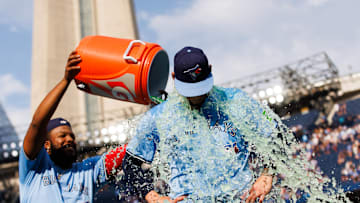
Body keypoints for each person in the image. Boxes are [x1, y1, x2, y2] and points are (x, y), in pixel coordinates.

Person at [122, 46, 277, 202]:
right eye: (190, 91)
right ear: (174, 77)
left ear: (210, 70)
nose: (196, 97)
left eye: (200, 89)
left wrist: (267, 174)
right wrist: (154, 197)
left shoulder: (237, 101)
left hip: (241, 197)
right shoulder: (158, 117)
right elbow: (130, 163)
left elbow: (276, 135)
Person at [19, 51, 126, 203]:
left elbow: (129, 151)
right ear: (47, 145)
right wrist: (66, 80)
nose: (69, 139)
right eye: (62, 136)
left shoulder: (89, 170)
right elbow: (37, 124)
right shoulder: (34, 169)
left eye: (72, 136)